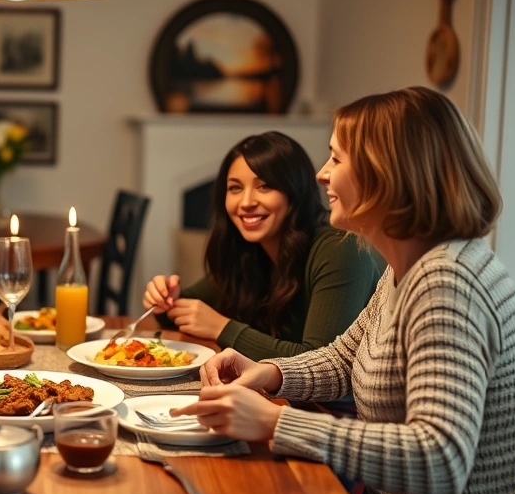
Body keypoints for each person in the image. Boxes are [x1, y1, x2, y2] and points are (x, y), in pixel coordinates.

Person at [179, 87, 515, 494]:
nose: (322, 175)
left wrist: (275, 421)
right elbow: (345, 358)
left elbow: (440, 459)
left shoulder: (447, 282)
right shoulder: (409, 265)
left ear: (388, 173)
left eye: (336, 159)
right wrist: (267, 372)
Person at [143, 131, 380, 361]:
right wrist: (164, 298)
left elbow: (320, 365)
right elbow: (185, 313)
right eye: (235, 188)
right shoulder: (250, 250)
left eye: (264, 186)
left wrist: (223, 328)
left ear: (294, 191)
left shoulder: (340, 249)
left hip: (334, 402)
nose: (246, 202)